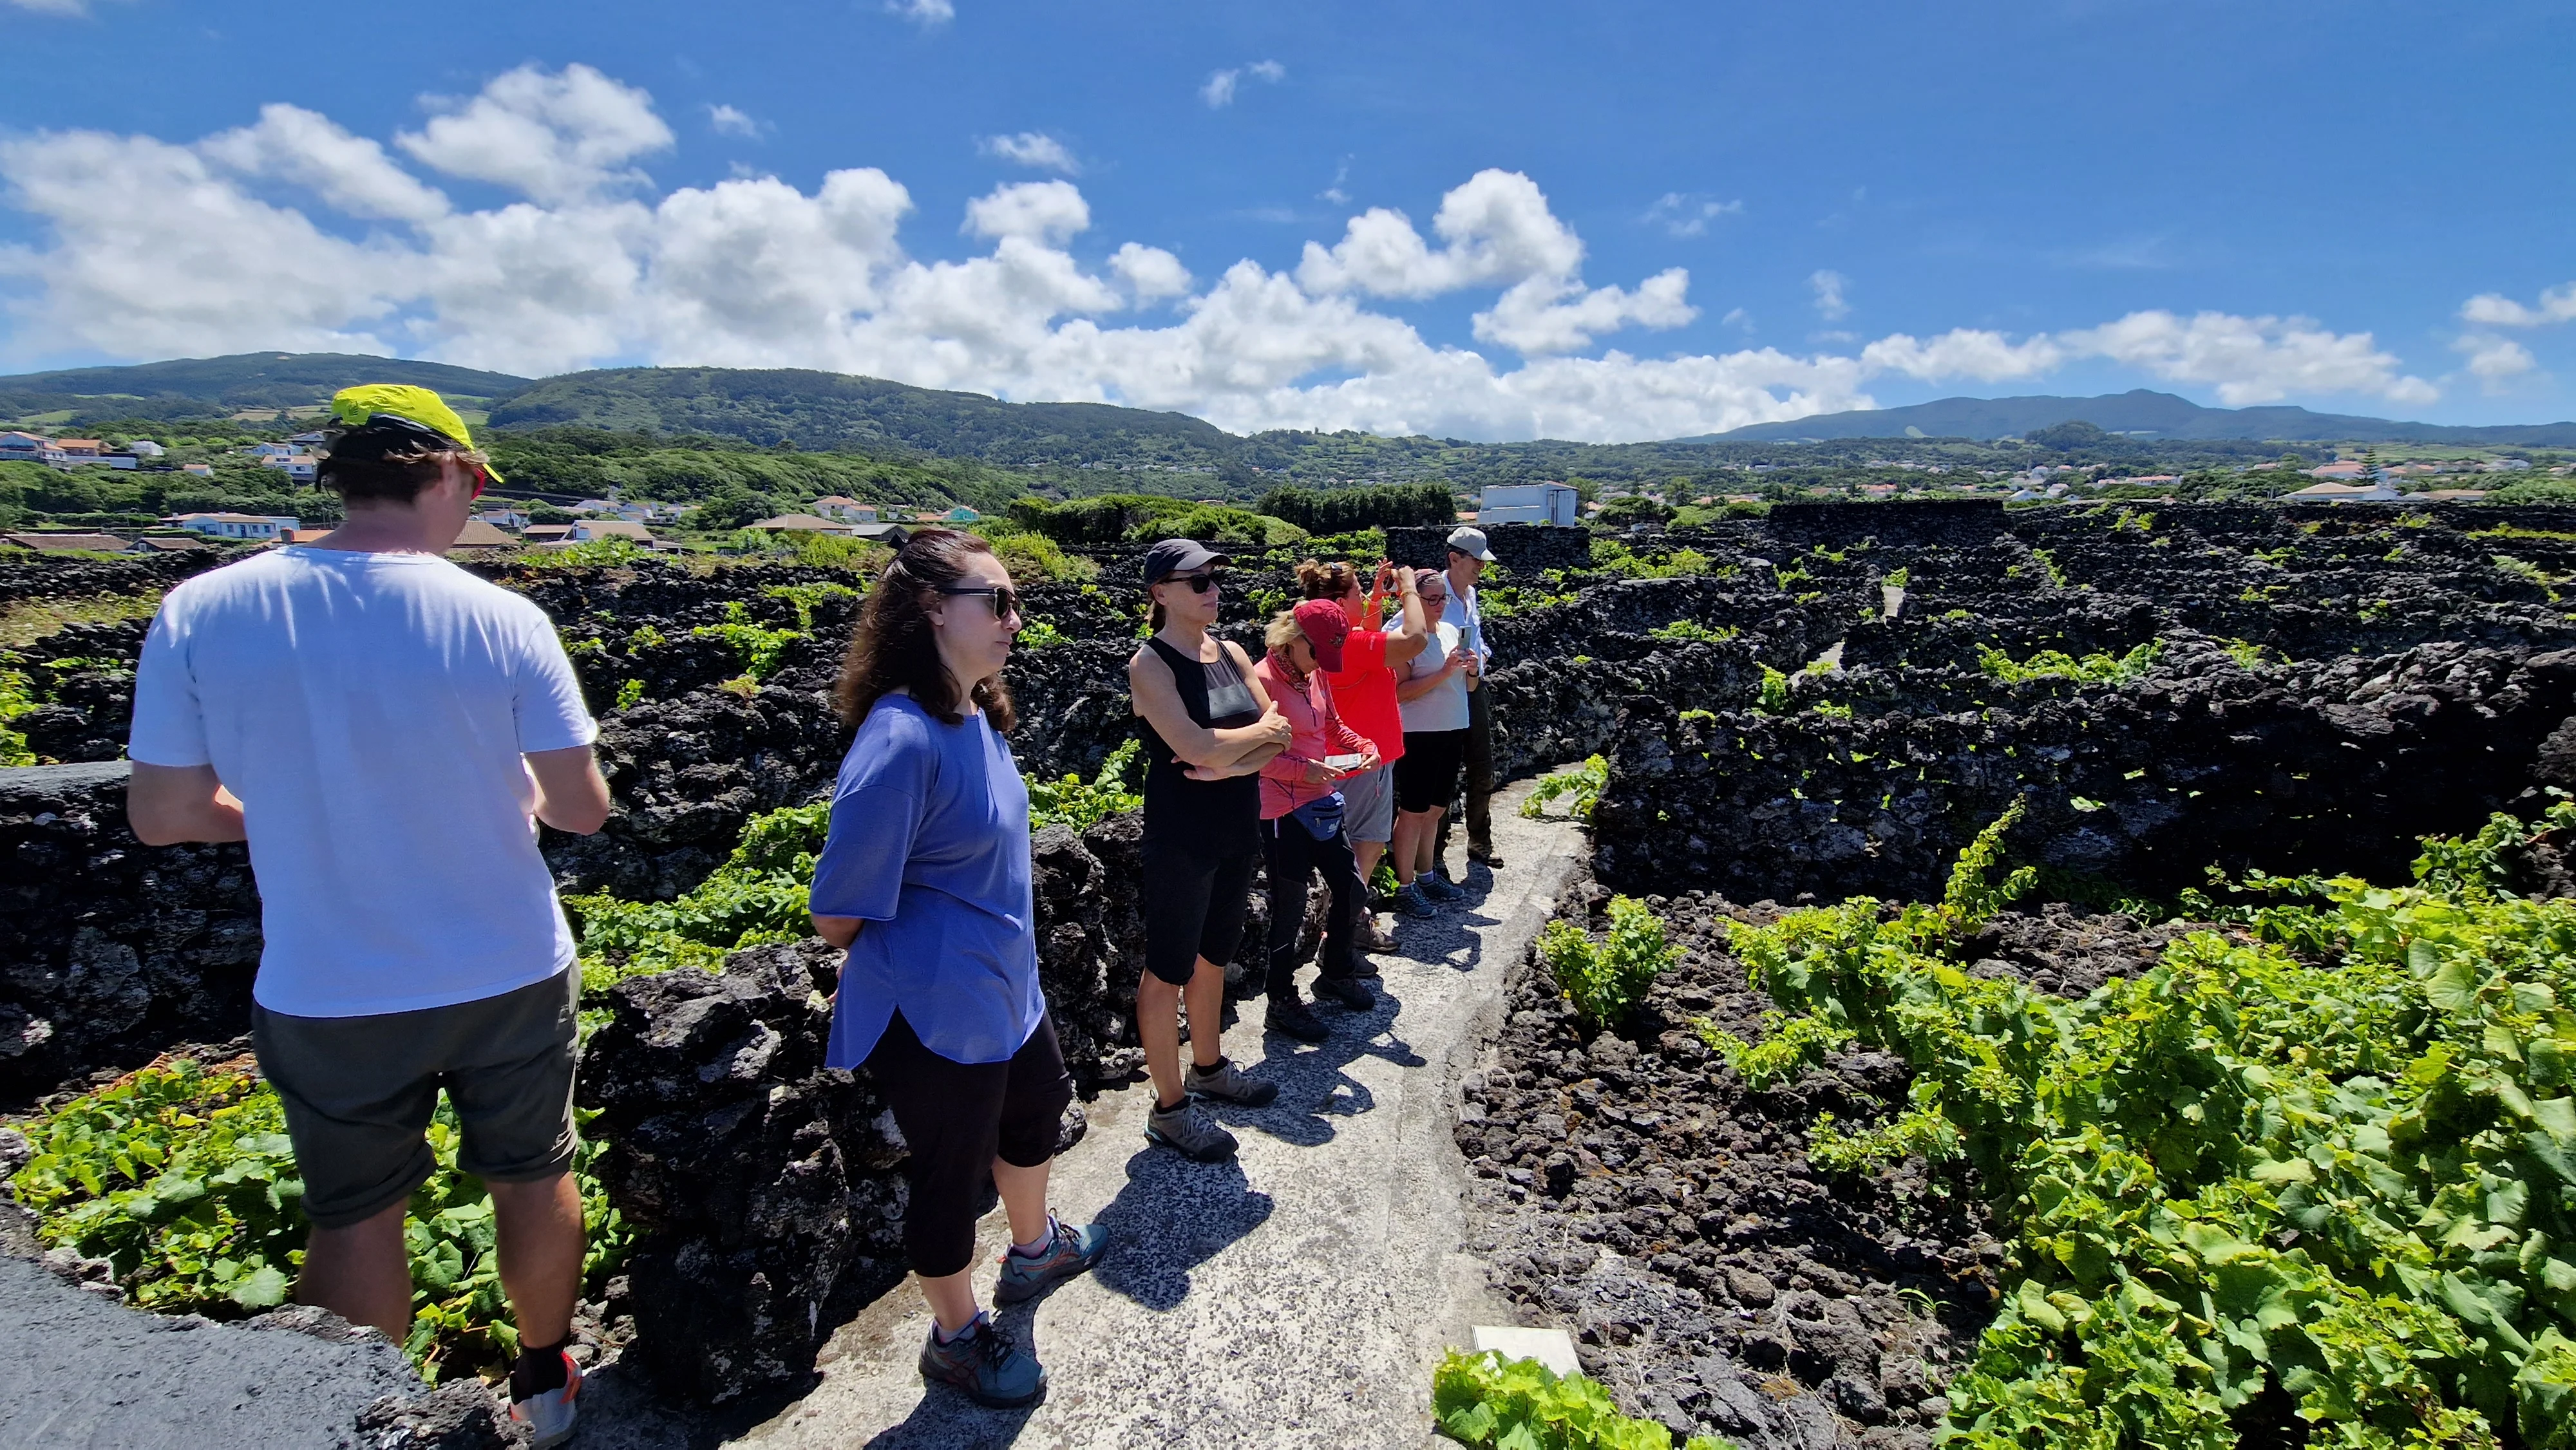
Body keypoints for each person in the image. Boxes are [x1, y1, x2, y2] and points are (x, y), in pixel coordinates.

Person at [124, 385, 612, 1448]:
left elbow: (163, 814)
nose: (472, 505)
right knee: (532, 1173)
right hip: (508, 963)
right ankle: (545, 1375)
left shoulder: (203, 610)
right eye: (476, 484)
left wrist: (300, 810)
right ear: (443, 472)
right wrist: (503, 794)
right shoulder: (501, 616)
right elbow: (581, 806)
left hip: (327, 979)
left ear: (342, 477)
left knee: (354, 1216)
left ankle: (367, 1418)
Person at [808, 529, 1107, 1409]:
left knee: (1039, 1107)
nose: (1017, 618)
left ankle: (1033, 1246)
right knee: (948, 1176)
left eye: (1017, 600)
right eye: (1000, 601)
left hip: (1003, 986)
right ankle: (954, 1336)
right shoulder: (901, 736)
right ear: (933, 609)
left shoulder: (974, 709)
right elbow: (837, 912)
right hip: (936, 1003)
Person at [1126, 539, 1296, 1162]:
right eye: (1197, 582)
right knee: (1167, 967)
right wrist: (1244, 742)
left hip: (1232, 822)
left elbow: (1278, 734)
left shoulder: (1229, 651)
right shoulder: (1150, 664)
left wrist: (1225, 765)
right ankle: (1169, 1110)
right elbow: (1198, 743)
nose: (1212, 589)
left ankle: (1209, 1066)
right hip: (1181, 835)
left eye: (1214, 578)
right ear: (1161, 592)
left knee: (1214, 955)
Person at [1251, 601, 1382, 1040]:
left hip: (1322, 799)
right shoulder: (1262, 680)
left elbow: (1332, 725)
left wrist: (1363, 743)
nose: (1319, 665)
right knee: (1288, 910)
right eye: (1317, 654)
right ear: (1292, 639)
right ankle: (1281, 1000)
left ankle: (1336, 970)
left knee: (1351, 887)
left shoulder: (1314, 673)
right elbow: (1254, 756)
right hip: (1282, 810)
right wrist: (1302, 771)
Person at [1299, 558, 1432, 955]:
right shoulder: (1353, 645)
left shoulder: (1331, 640)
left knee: (1345, 840)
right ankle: (1348, 924)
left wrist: (1374, 593)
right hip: (1365, 758)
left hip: (1338, 755)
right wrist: (1408, 588)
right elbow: (1414, 640)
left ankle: (1344, 918)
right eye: (1357, 593)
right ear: (1340, 603)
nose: (1364, 599)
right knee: (1368, 842)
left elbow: (1364, 634)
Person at [1391, 569, 1474, 918]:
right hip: (1419, 733)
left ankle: (1426, 874)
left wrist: (1470, 669)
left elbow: (1468, 688)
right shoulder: (1403, 639)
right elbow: (1398, 693)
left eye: (1444, 598)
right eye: (1433, 599)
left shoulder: (1452, 631)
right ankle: (1405, 885)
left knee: (1437, 808)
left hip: (1453, 726)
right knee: (1412, 811)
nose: (1441, 605)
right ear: (1414, 600)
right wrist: (1443, 672)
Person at [1444, 526, 1506, 871]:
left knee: (1483, 767)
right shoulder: (1433, 595)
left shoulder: (1470, 596)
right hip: (1443, 692)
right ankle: (1434, 855)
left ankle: (1480, 841)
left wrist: (1481, 657)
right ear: (1455, 558)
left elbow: (1477, 636)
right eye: (1477, 562)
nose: (1482, 568)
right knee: (1444, 771)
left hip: (1472, 686)